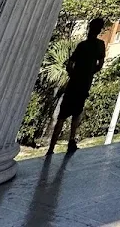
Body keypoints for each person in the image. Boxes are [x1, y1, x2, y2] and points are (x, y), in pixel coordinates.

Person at [46, 18, 106, 156]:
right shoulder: (100, 45)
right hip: (84, 85)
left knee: (62, 116)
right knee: (76, 114)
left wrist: (74, 75)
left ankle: (51, 148)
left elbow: (69, 65)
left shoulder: (81, 46)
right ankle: (71, 142)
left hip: (73, 84)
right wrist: (89, 73)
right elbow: (100, 65)